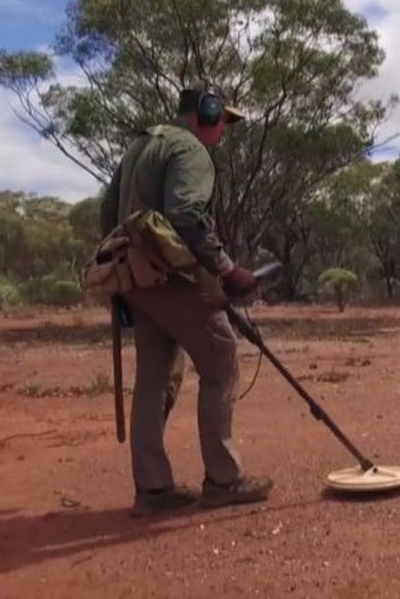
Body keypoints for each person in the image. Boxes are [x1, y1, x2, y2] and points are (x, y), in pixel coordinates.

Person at [99, 84, 274, 516]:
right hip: (173, 277)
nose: (224, 130)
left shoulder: (141, 144)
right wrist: (228, 270)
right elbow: (185, 214)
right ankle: (224, 480)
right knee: (220, 362)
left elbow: (106, 214)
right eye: (223, 120)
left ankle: (153, 490)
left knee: (153, 378)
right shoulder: (191, 151)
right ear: (208, 112)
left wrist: (122, 281)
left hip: (135, 280)